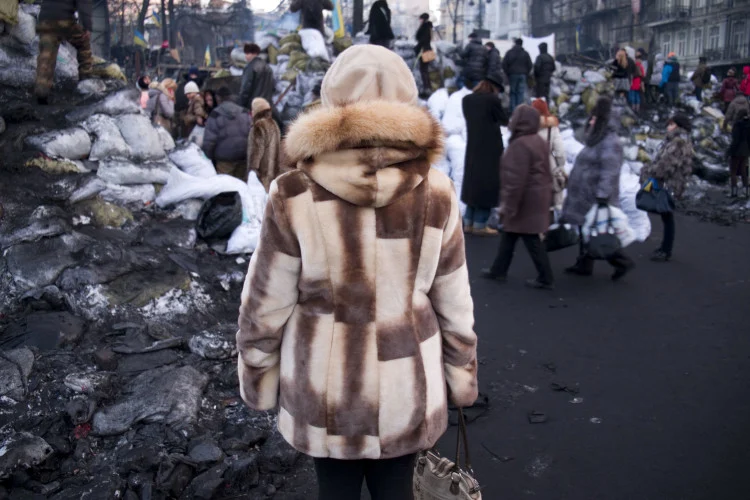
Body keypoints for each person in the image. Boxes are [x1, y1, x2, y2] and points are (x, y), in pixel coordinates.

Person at [236, 44, 478, 500]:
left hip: (327, 387)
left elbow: (265, 302)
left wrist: (257, 372)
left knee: (335, 492)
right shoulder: (438, 191)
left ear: (332, 100)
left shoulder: (293, 192)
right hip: (408, 382)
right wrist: (461, 374)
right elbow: (454, 299)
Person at [561, 97, 635, 281]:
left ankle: (622, 262)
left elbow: (609, 171)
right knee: (585, 230)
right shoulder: (596, 139)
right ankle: (584, 264)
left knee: (599, 233)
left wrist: (602, 196)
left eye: (594, 119)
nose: (590, 121)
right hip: (584, 194)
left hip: (595, 196)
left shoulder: (611, 142)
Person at [482, 105, 554, 289]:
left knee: (530, 239)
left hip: (525, 201)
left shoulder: (520, 144)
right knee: (510, 235)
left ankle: (545, 277)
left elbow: (515, 180)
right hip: (536, 197)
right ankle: (498, 270)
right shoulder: (537, 140)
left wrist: (508, 206)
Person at [640, 113, 694, 261]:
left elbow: (667, 165)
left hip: (670, 183)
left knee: (667, 215)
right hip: (673, 182)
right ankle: (665, 247)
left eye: (671, 124)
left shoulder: (677, 143)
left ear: (678, 126)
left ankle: (666, 250)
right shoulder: (678, 141)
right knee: (666, 215)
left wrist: (649, 171)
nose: (668, 127)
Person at [462, 76, 508, 235]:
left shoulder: (467, 100)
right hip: (490, 149)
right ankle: (480, 225)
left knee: (473, 184)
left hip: (473, 147)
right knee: (486, 185)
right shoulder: (491, 100)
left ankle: (468, 222)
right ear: (494, 88)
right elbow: (504, 119)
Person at [34, 0, 93, 105]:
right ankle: (86, 80)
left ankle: (42, 92)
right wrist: (87, 27)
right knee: (84, 43)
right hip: (64, 20)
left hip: (45, 20)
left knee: (46, 56)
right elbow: (84, 4)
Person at [202, 87, 251, 180]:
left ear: (218, 98)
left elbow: (209, 141)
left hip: (224, 160)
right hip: (243, 157)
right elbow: (252, 134)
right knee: (241, 186)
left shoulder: (215, 114)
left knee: (225, 187)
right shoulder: (245, 112)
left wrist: (209, 157)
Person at [531, 99, 566, 211]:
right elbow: (559, 151)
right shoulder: (551, 127)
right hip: (548, 164)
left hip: (530, 166)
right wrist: (560, 165)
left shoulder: (526, 126)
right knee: (556, 196)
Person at [247, 98, 282, 192]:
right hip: (273, 173)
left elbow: (255, 153)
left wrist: (251, 172)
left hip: (262, 174)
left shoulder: (258, 126)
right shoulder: (274, 124)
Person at [502, 38, 533, 113]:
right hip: (522, 75)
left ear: (515, 43)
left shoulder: (509, 52)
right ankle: (520, 111)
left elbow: (504, 64)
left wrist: (508, 73)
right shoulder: (525, 53)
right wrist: (526, 72)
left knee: (513, 93)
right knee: (520, 93)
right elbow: (530, 65)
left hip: (512, 75)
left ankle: (513, 111)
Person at [727, 108, 750, 198]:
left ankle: (734, 192)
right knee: (744, 170)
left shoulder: (737, 125)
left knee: (733, 171)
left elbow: (735, 140)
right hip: (746, 149)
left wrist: (729, 151)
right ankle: (746, 191)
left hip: (737, 150)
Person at [415, 13, 433, 97]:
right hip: (428, 49)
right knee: (425, 70)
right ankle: (428, 87)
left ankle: (427, 88)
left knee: (424, 70)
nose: (419, 20)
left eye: (420, 18)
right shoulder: (428, 27)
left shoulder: (425, 27)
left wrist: (417, 48)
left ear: (423, 19)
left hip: (424, 50)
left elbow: (423, 39)